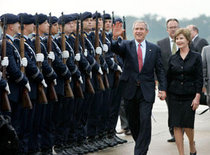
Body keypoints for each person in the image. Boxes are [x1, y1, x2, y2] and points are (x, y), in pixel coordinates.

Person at [111, 20, 167, 155]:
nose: (139, 31)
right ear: (133, 31)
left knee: (145, 119)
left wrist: (163, 88)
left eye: (142, 29)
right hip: (129, 90)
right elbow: (115, 48)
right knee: (133, 122)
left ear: (147, 32)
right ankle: (140, 145)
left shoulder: (154, 49)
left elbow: (159, 70)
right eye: (136, 29)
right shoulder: (126, 45)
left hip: (146, 91)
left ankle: (140, 152)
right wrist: (113, 38)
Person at [167, 28, 203, 155]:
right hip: (174, 96)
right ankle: (181, 153)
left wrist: (197, 97)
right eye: (177, 39)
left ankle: (191, 144)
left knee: (188, 125)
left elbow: (199, 78)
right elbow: (168, 78)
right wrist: (163, 91)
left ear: (188, 40)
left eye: (181, 38)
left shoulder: (196, 57)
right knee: (176, 125)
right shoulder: (172, 58)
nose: (179, 41)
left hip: (190, 96)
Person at [157, 18, 179, 142]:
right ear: (167, 29)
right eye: (171, 27)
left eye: (175, 26)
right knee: (171, 108)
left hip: (183, 83)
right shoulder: (161, 43)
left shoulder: (185, 42)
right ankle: (173, 132)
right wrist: (160, 86)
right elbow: (158, 65)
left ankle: (182, 130)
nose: (173, 29)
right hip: (168, 83)